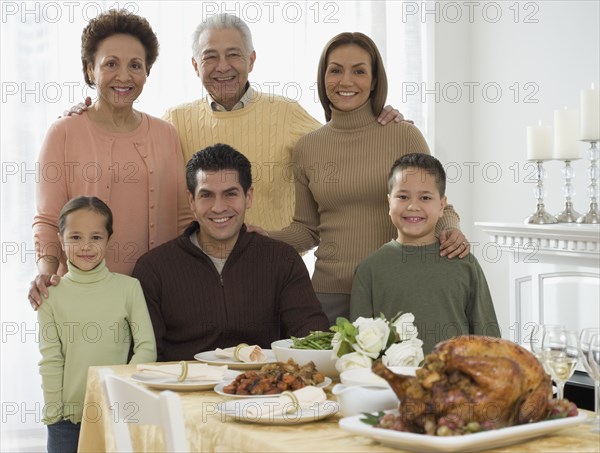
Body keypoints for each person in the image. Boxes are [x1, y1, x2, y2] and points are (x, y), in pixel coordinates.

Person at [259, 32, 469, 323]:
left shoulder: (403, 135)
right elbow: (307, 230)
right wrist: (262, 238)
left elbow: (436, 206)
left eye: (359, 71)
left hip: (394, 288)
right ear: (323, 78)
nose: (346, 81)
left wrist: (451, 231)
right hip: (328, 295)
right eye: (335, 70)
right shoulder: (307, 147)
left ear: (374, 81)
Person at [164, 13, 404, 231]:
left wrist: (380, 126)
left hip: (276, 267)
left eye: (233, 55)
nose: (223, 66)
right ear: (196, 66)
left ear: (251, 60)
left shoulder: (287, 114)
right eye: (210, 57)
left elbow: (347, 149)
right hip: (199, 267)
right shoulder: (175, 122)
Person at [30, 9, 194, 309]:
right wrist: (45, 273)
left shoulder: (166, 134)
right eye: (110, 64)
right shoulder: (63, 132)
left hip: (158, 302)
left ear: (147, 71)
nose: (123, 76)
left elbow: (183, 219)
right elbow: (47, 219)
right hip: (83, 301)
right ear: (90, 69)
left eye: (135, 65)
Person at [132, 144, 330, 361]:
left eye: (230, 194)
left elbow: (311, 338)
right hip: (182, 387)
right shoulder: (154, 268)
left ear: (249, 197)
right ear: (191, 201)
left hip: (263, 388)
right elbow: (146, 358)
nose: (219, 207)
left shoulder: (282, 260)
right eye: (206, 195)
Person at [38, 196, 156, 453]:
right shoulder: (50, 295)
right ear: (60, 240)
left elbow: (147, 347)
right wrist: (54, 412)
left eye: (96, 237)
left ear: (108, 239)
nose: (86, 246)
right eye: (76, 237)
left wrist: (122, 395)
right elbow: (50, 359)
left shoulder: (128, 288)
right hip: (66, 420)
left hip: (118, 411)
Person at [350, 153, 500, 354]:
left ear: (441, 205)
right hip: (391, 382)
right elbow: (359, 348)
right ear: (389, 202)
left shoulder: (465, 264)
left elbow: (489, 341)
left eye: (425, 197)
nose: (413, 206)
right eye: (403, 197)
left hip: (455, 381)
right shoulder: (369, 270)